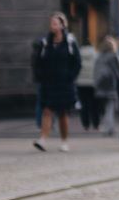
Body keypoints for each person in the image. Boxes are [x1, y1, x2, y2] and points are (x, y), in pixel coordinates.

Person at [32, 12, 82, 153]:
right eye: (51, 23)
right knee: (47, 110)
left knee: (62, 113)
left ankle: (64, 141)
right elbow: (39, 61)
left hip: (65, 83)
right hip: (49, 83)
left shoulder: (70, 42)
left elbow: (77, 62)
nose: (52, 26)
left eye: (55, 23)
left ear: (62, 25)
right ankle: (42, 139)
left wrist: (70, 76)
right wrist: (41, 76)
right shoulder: (45, 42)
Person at [93, 35, 119, 137]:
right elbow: (117, 70)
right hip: (111, 83)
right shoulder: (113, 56)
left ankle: (107, 126)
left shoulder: (99, 56)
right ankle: (109, 127)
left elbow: (96, 70)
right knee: (110, 106)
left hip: (100, 84)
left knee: (104, 107)